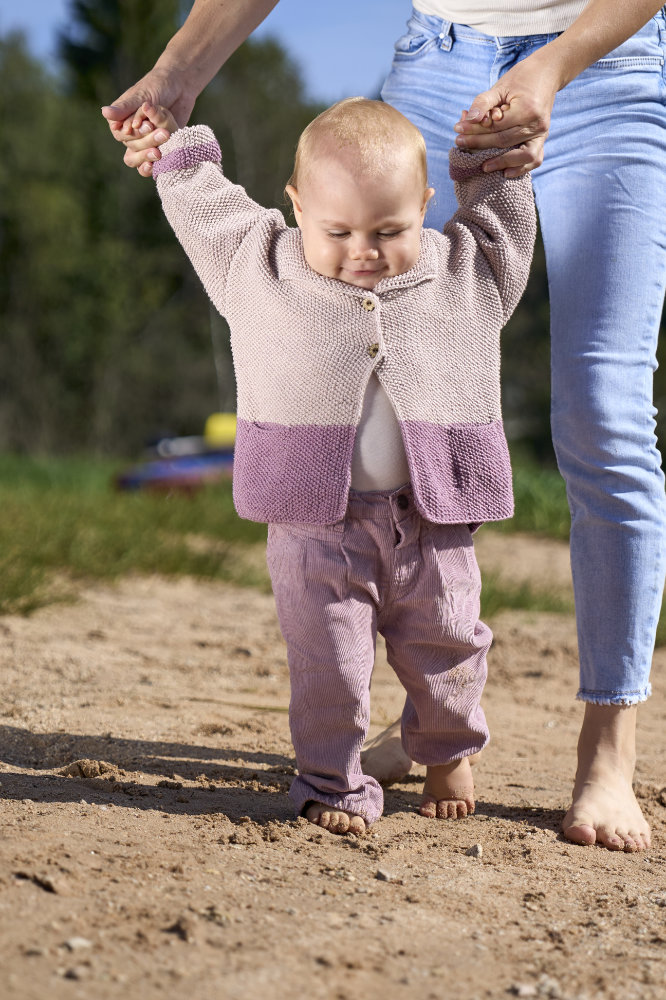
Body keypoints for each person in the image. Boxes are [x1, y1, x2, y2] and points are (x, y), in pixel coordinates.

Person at [102, 0, 666, 852]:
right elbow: (226, 230)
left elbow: (490, 256)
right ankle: (371, 751)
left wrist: (551, 68)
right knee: (341, 286)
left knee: (603, 410)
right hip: (438, 60)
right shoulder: (273, 257)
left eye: (385, 231)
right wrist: (177, 81)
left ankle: (606, 747)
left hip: (610, 64)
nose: (361, 246)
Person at [130, 95, 535, 834]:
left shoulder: (464, 275)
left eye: (389, 229)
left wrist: (492, 162)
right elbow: (207, 210)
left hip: (433, 523)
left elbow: (503, 231)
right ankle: (333, 782)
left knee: (448, 647)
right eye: (338, 230)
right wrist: (175, 151)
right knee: (330, 668)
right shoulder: (261, 269)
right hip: (315, 530)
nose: (363, 251)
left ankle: (445, 748)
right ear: (296, 208)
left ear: (425, 205)